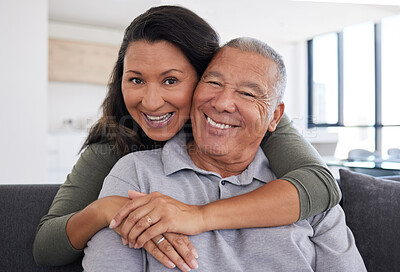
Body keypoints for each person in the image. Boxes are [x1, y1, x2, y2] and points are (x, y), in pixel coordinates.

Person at [33, 5, 340, 272]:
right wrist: (109, 209)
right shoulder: (115, 147)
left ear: (203, 76)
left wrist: (198, 217)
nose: (151, 102)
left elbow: (320, 185)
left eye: (171, 80)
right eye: (136, 79)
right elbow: (46, 247)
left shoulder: (248, 120)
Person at [83, 37, 366, 271]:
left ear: (274, 116)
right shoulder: (135, 174)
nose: (223, 103)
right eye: (214, 83)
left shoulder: (306, 194)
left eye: (247, 93)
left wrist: (199, 216)